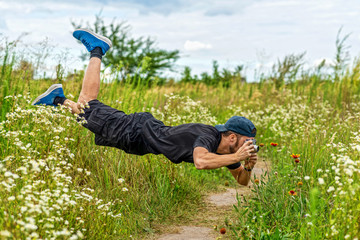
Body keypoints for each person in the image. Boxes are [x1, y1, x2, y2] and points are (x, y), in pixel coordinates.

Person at [32, 29, 258, 186]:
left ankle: (57, 99)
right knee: (86, 104)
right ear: (231, 137)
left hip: (138, 139)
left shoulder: (226, 151)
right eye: (247, 142)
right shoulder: (207, 136)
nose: (250, 147)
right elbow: (201, 161)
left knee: (86, 114)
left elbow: (241, 181)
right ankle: (97, 49)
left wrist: (246, 166)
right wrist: (237, 155)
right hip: (136, 130)